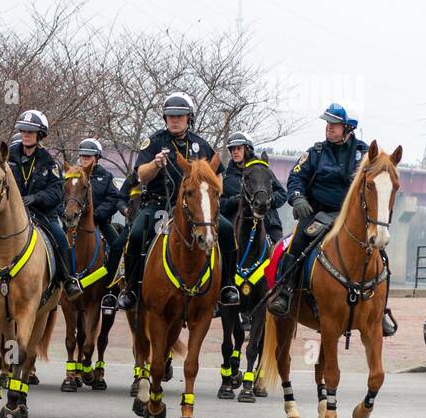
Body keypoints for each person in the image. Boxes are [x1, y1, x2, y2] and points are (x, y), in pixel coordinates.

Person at [268, 103, 395, 338]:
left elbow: (376, 181)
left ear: (348, 128)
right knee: (297, 243)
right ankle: (284, 293)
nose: (329, 128)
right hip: (317, 214)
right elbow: (295, 178)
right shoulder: (315, 152)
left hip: (351, 218)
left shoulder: (364, 154)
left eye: (334, 125)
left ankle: (381, 310)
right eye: (328, 124)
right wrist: (297, 199)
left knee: (382, 257)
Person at [110, 92, 239, 310]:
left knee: (226, 231)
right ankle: (131, 289)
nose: (174, 120)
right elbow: (141, 174)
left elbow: (218, 178)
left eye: (179, 116)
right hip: (159, 206)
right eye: (170, 116)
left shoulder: (201, 145)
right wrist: (155, 164)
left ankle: (227, 286)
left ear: (189, 118)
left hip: (195, 209)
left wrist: (211, 192)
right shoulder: (153, 142)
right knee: (136, 233)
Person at [0, 109, 82, 300]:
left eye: (30, 132)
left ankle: (69, 279)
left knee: (59, 235)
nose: (26, 135)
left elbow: (56, 192)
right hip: (9, 212)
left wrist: (36, 198)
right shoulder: (7, 157)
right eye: (23, 131)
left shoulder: (49, 162)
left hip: (40, 213)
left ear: (40, 135)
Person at [218, 131, 287, 243]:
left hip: (268, 224)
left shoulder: (263, 170)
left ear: (248, 149)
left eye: (239, 148)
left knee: (281, 251)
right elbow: (219, 204)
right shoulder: (226, 178)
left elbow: (282, 194)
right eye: (233, 149)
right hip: (237, 228)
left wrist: (267, 199)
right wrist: (235, 201)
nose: (235, 152)